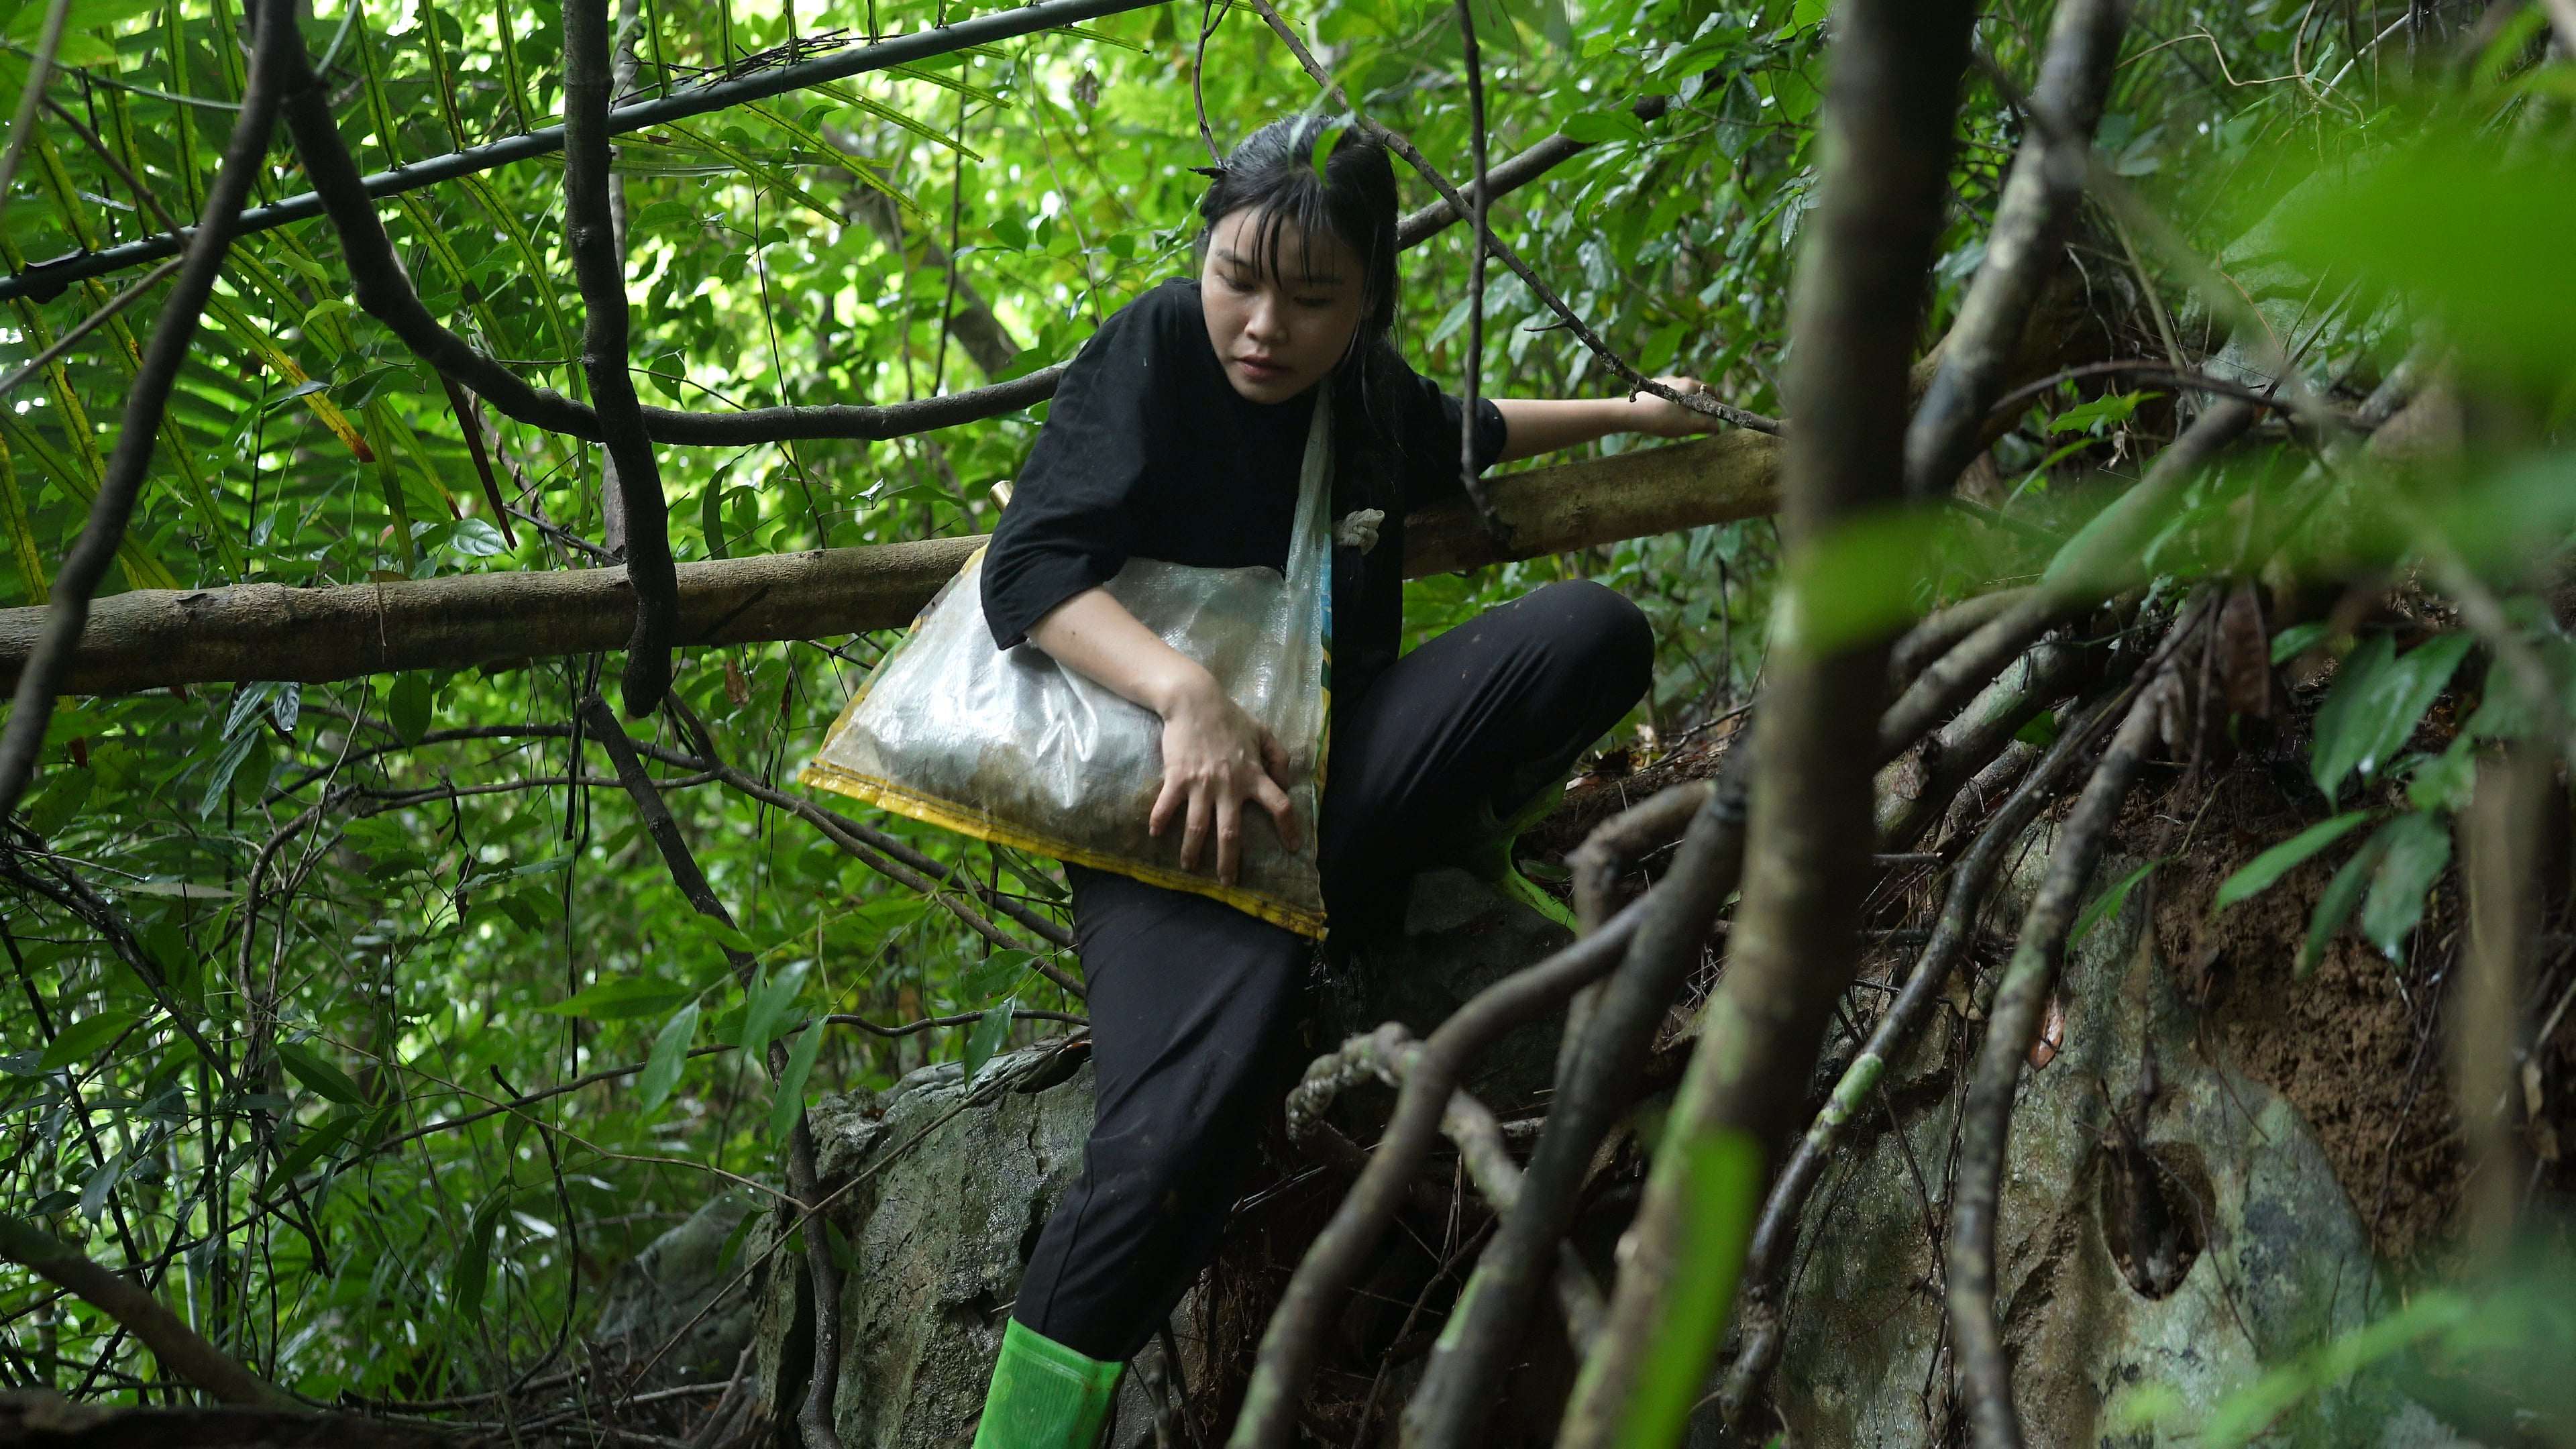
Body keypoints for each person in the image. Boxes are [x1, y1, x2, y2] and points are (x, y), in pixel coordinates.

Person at [967, 115, 1721, 1448]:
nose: (1264, 325)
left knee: (1589, 634)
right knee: (1164, 1162)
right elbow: (1027, 575)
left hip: (1329, 769)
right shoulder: (1152, 350)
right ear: (1202, 256)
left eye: (1313, 299)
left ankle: (1378, 888)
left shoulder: (1363, 393)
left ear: (1368, 297)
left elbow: (1461, 429)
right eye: (1237, 279)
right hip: (1169, 824)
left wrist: (1625, 411)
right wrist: (1184, 694)